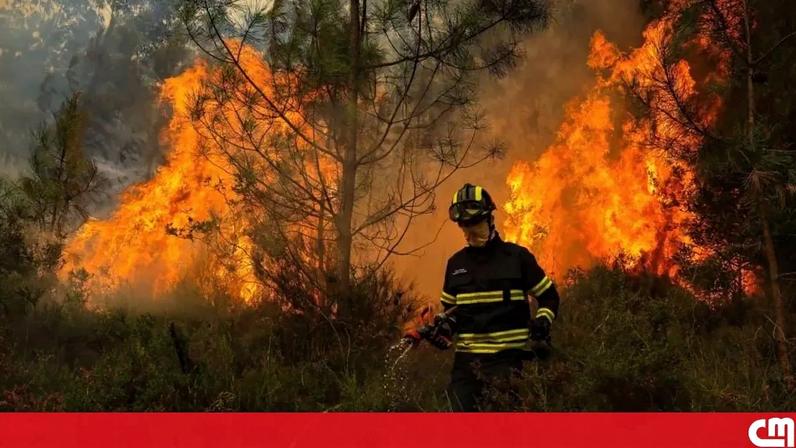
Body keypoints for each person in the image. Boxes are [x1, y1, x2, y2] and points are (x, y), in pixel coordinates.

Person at [409, 183, 561, 411]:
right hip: (467, 369)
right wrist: (441, 330)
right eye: (464, 226)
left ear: (490, 219)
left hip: (510, 363)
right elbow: (452, 315)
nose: (469, 232)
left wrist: (543, 320)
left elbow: (549, 296)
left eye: (475, 224)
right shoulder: (456, 264)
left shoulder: (517, 258)